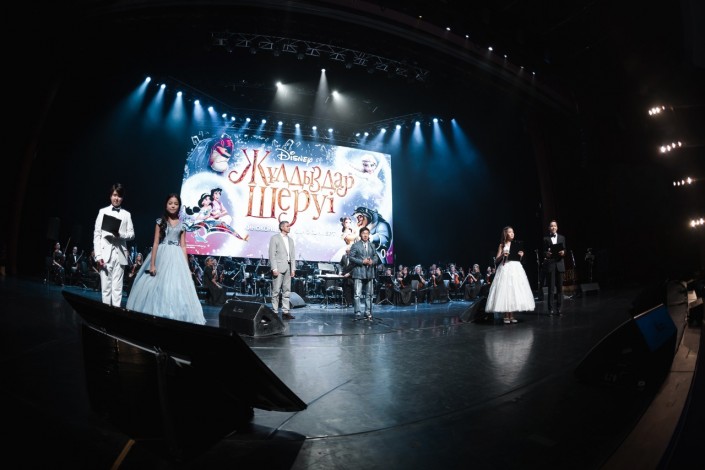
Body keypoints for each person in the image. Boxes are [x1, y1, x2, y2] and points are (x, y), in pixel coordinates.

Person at [126, 194, 205, 325]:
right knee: (158, 284)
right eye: (170, 203)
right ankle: (157, 311)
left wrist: (186, 267)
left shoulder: (183, 225)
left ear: (179, 206)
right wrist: (152, 264)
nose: (173, 206)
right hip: (162, 255)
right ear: (166, 205)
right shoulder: (160, 222)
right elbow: (155, 243)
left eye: (176, 203)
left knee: (175, 285)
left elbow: (183, 246)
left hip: (176, 256)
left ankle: (173, 313)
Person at [93, 183, 135, 306]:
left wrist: (120, 235)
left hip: (120, 254)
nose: (116, 198)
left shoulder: (127, 214)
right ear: (111, 196)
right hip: (105, 255)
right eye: (114, 195)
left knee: (117, 289)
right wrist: (98, 256)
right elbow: (97, 235)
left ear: (122, 198)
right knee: (106, 289)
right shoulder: (102, 211)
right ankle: (105, 314)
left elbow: (132, 234)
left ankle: (115, 314)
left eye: (119, 196)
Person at [485, 226, 535, 324]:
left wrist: (521, 255)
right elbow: (496, 260)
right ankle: (505, 315)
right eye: (510, 232)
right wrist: (503, 254)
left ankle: (512, 315)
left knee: (513, 291)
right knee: (505, 290)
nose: (512, 233)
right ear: (505, 234)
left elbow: (519, 258)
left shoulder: (516, 245)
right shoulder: (502, 245)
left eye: (513, 232)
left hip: (516, 268)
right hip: (505, 268)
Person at [349, 226, 380, 320]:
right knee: (357, 294)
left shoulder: (372, 245)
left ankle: (367, 312)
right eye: (363, 233)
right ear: (360, 235)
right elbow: (351, 258)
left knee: (369, 295)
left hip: (369, 273)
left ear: (369, 235)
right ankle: (357, 312)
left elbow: (376, 256)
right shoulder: (355, 245)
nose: (365, 235)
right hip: (359, 272)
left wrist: (372, 261)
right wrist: (362, 261)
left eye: (367, 233)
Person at [269, 220, 296, 320]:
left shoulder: (291, 240)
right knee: (276, 290)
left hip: (288, 267)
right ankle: (274, 311)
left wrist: (293, 268)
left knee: (287, 290)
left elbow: (292, 256)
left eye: (289, 226)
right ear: (282, 227)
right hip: (278, 267)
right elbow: (272, 254)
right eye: (287, 226)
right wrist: (274, 268)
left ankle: (285, 311)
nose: (289, 227)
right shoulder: (275, 238)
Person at [543, 219, 567, 315]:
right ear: (549, 228)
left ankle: (559, 308)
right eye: (551, 226)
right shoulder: (545, 239)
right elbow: (543, 252)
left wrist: (563, 252)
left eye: (555, 226)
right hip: (551, 264)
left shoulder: (562, 238)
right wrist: (546, 254)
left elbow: (565, 249)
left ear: (557, 227)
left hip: (560, 264)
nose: (553, 227)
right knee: (551, 288)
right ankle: (550, 309)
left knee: (560, 288)